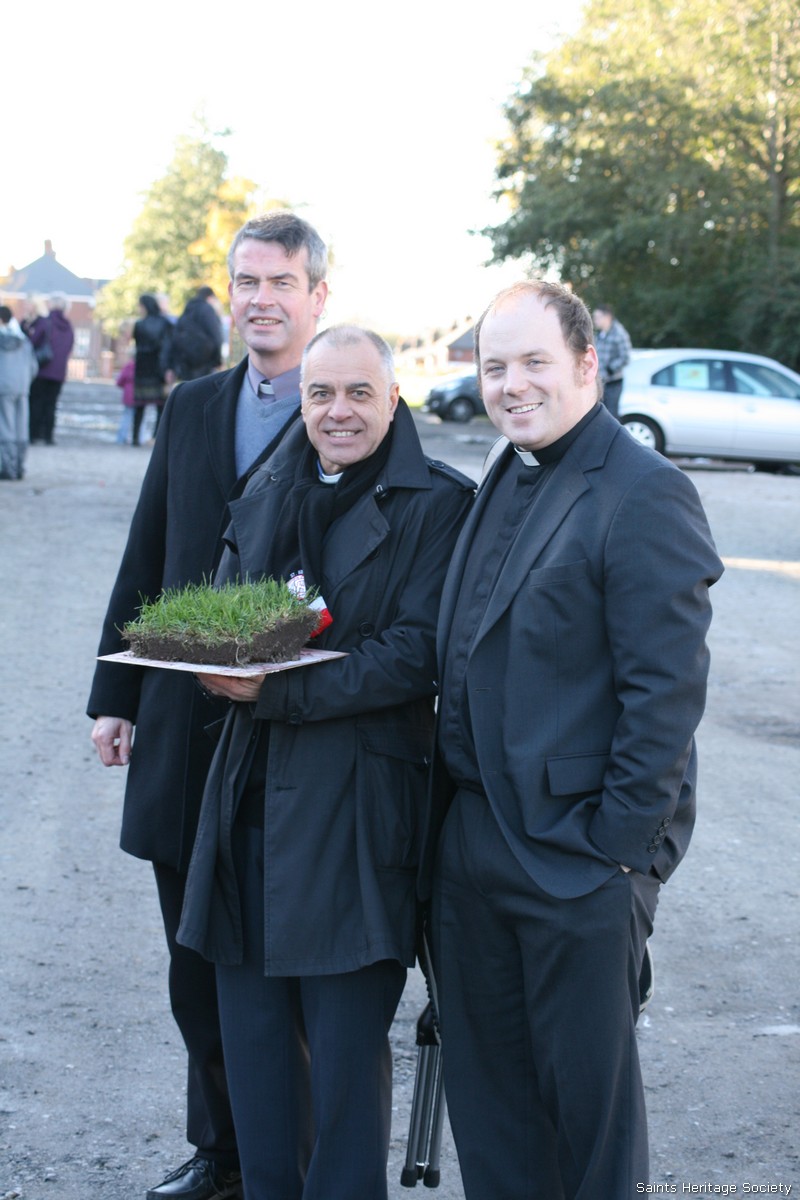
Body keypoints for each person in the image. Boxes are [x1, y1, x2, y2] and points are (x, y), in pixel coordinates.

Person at [422, 280, 723, 1199]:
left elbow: (664, 696)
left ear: (587, 364)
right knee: (491, 1110)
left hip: (577, 862)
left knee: (588, 1130)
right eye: (495, 366)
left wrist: (616, 857)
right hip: (471, 846)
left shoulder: (646, 491)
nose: (512, 384)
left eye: (534, 362)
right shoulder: (502, 468)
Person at [176, 324, 474, 1200]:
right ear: (300, 402)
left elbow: (416, 653)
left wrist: (273, 690)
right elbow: (222, 609)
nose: (337, 412)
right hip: (248, 804)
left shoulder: (439, 505)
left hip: (355, 815)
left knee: (343, 1070)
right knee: (258, 1061)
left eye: (357, 393)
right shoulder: (270, 487)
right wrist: (204, 654)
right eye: (320, 394)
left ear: (393, 397)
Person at [87, 211, 329, 1200]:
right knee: (193, 967)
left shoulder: (343, 405)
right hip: (181, 727)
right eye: (247, 282)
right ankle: (222, 1155)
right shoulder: (191, 406)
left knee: (280, 969)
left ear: (318, 294)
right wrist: (114, 693)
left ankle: (293, 1161)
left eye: (281, 282)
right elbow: (149, 547)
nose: (261, 300)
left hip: (293, 736)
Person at [25, 291, 74, 443]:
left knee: (36, 402)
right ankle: (48, 436)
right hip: (59, 372)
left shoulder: (45, 322)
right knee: (51, 404)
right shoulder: (69, 326)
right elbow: (69, 347)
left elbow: (32, 342)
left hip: (42, 369)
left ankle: (33, 434)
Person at [0, 305, 37, 479]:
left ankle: (7, 468)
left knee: (5, 427)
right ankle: (19, 466)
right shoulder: (24, 341)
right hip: (22, 388)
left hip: (3, 388)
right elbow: (34, 367)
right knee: (21, 427)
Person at [132, 294, 173, 444]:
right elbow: (167, 347)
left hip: (142, 369)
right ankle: (156, 437)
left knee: (139, 406)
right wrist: (167, 368)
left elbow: (137, 346)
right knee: (161, 406)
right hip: (158, 369)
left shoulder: (139, 324)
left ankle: (135, 437)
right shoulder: (165, 323)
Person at [164, 286, 225, 384]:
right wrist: (218, 361)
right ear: (210, 297)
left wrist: (171, 366)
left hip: (185, 365)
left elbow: (174, 339)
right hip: (205, 364)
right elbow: (216, 337)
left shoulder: (187, 310)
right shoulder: (207, 309)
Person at [592, 302, 631, 417]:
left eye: (598, 317)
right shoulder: (599, 334)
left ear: (607, 317)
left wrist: (610, 369)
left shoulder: (619, 333)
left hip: (613, 383)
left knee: (611, 415)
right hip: (600, 382)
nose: (595, 320)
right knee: (598, 414)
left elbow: (626, 357)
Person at [115, 347, 136, 445]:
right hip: (140, 395)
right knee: (140, 419)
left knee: (126, 417)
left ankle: (121, 438)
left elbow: (120, 381)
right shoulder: (144, 368)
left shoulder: (128, 367)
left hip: (128, 395)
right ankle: (139, 437)